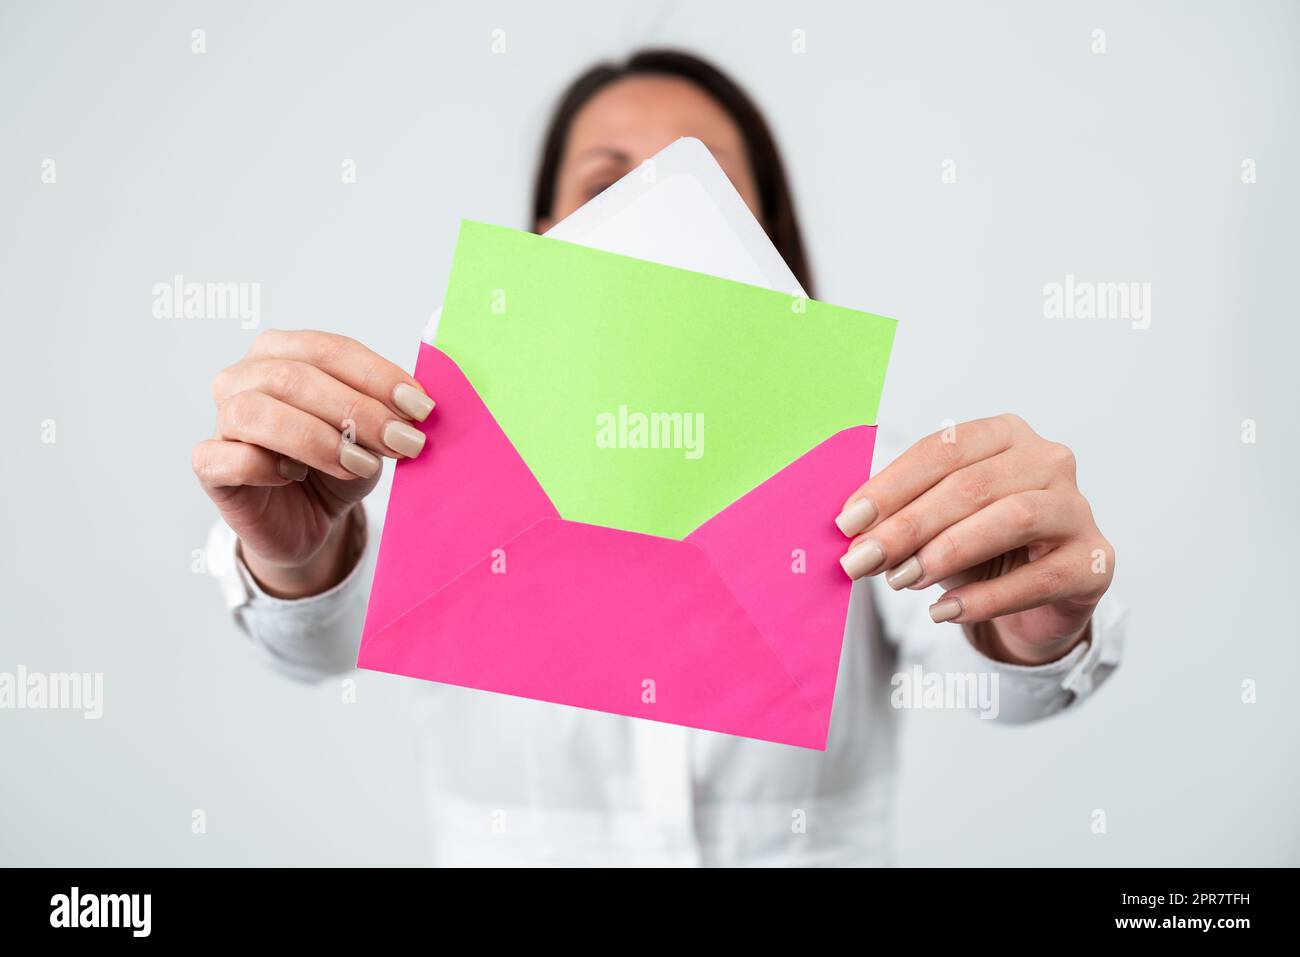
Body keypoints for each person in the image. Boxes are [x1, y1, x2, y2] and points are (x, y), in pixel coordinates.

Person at [194, 50, 1123, 866]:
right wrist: (299, 557)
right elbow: (318, 648)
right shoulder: (437, 434)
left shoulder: (875, 452)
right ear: (542, 237)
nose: (651, 216)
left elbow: (992, 684)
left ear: (770, 236)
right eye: (604, 187)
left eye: (703, 186)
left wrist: (1032, 626)